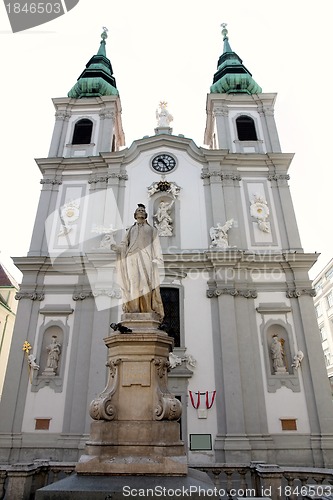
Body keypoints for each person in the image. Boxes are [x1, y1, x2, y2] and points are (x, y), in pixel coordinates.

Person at [111, 204, 164, 319]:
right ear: (135, 215)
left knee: (146, 284)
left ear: (145, 214)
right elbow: (124, 243)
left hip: (146, 256)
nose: (141, 211)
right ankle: (133, 309)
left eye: (142, 210)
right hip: (131, 256)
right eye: (138, 210)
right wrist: (117, 248)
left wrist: (158, 258)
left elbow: (156, 244)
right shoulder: (130, 229)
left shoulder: (152, 229)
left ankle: (147, 309)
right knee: (132, 282)